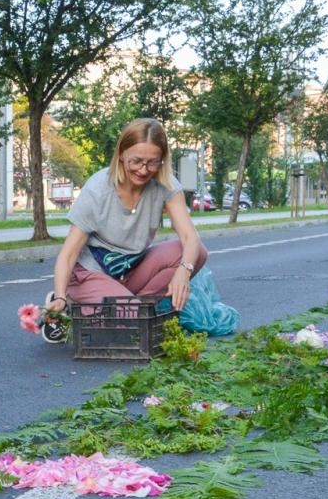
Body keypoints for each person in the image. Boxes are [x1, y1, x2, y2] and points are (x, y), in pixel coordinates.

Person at [40, 118, 207, 344]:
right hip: (91, 272)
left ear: (162, 161)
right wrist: (59, 294)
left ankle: (131, 305)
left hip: (130, 269)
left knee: (196, 253)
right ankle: (71, 304)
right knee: (133, 325)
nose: (143, 170)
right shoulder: (98, 190)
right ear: (121, 154)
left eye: (152, 163)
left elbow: (190, 237)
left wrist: (183, 273)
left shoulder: (166, 185)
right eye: (136, 161)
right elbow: (68, 255)